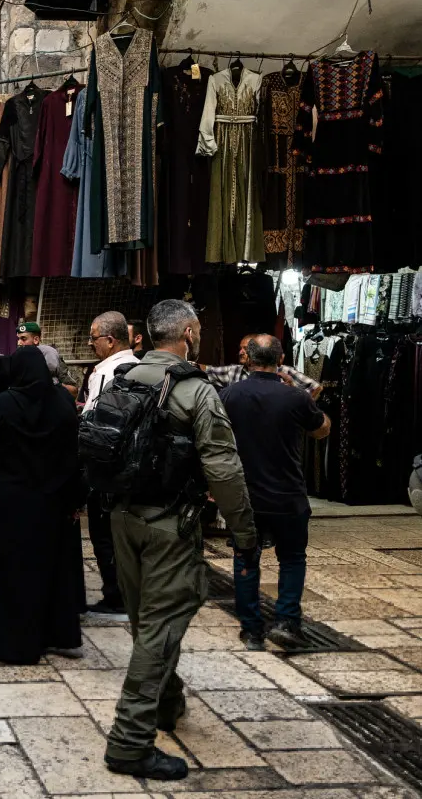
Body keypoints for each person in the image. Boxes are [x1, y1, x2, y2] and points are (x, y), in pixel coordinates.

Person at [102, 300, 256, 781]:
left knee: (145, 617)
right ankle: (129, 741)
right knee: (161, 624)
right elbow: (225, 470)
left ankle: (165, 702)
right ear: (188, 333)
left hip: (122, 518)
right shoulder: (195, 391)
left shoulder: (121, 378)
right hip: (170, 524)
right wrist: (244, 534)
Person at [0, 348, 84, 663]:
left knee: (0, 572)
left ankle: (1, 640)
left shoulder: (0, 404)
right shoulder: (63, 403)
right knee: (43, 571)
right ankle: (45, 634)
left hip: (5, 503)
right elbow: (74, 454)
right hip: (50, 503)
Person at [220, 334, 331, 650]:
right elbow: (322, 429)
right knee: (293, 558)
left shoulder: (228, 395)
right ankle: (285, 622)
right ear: (281, 360)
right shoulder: (294, 397)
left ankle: (252, 631)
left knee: (245, 558)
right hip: (288, 494)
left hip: (245, 495)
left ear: (248, 359)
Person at [82, 312, 141, 622]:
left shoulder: (105, 372)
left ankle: (115, 597)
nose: (92, 344)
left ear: (110, 340)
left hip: (106, 468)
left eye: (94, 338)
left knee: (103, 533)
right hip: (136, 465)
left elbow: (93, 422)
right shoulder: (142, 368)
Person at [204, 334, 321, 398]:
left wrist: (298, 398)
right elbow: (208, 370)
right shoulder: (234, 371)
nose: (241, 352)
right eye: (240, 349)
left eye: (245, 349)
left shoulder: (284, 371)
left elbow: (316, 387)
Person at [16, 321, 77, 397]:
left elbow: (74, 391)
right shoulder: (17, 359)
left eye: (23, 339)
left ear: (36, 340)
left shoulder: (49, 355)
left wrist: (54, 384)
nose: (19, 343)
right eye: (18, 339)